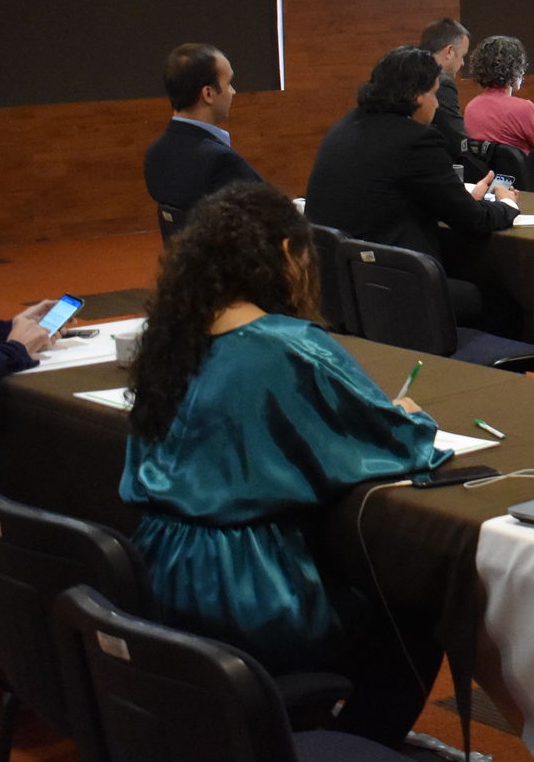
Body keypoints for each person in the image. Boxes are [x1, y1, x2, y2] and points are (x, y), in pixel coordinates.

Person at [121, 181, 447, 747]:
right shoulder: (288, 346)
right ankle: (360, 744)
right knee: (417, 603)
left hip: (158, 570)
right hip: (249, 590)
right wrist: (408, 416)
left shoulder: (171, 340)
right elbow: (399, 443)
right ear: (285, 257)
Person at [304, 46, 519, 322]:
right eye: (434, 93)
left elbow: (391, 194)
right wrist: (506, 204)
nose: (438, 104)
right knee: (505, 303)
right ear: (417, 96)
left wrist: (462, 198)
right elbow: (474, 222)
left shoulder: (344, 127)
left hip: (337, 285)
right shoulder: (415, 140)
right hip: (393, 287)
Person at [143, 43, 264, 218]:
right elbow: (274, 218)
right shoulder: (220, 161)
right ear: (208, 94)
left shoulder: (155, 153)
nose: (233, 92)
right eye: (229, 83)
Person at [463, 34, 534, 154]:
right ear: (515, 69)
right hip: (528, 173)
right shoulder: (524, 109)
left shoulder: (471, 107)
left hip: (491, 173)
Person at [420, 17, 471, 159]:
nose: (461, 63)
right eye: (462, 56)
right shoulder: (442, 83)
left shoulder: (406, 73)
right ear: (449, 51)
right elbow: (457, 141)